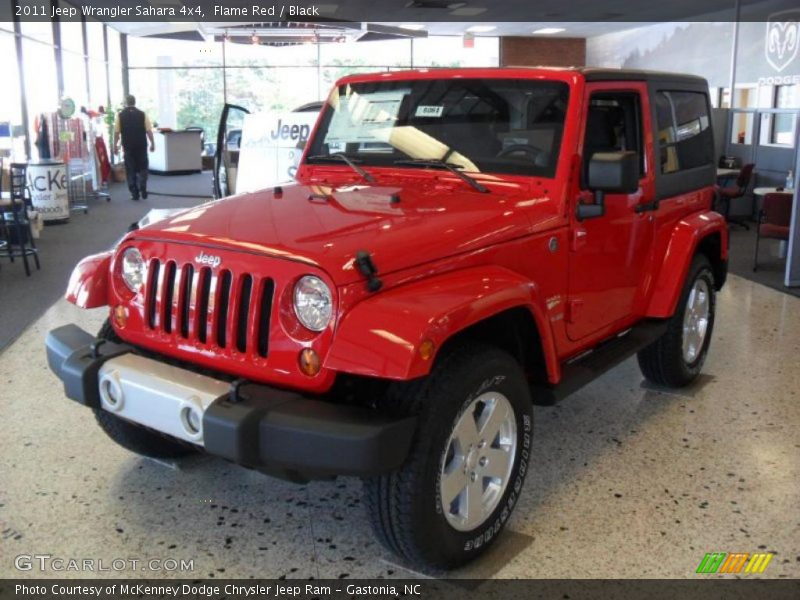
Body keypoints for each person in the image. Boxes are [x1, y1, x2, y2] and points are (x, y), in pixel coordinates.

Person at [113, 95, 155, 201]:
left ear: (126, 103)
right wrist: (152, 143)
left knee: (130, 169)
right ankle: (143, 185)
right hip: (141, 145)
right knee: (143, 167)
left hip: (128, 146)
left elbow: (117, 132)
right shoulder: (142, 114)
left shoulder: (120, 115)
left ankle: (135, 193)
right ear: (134, 102)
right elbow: (149, 130)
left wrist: (115, 145)